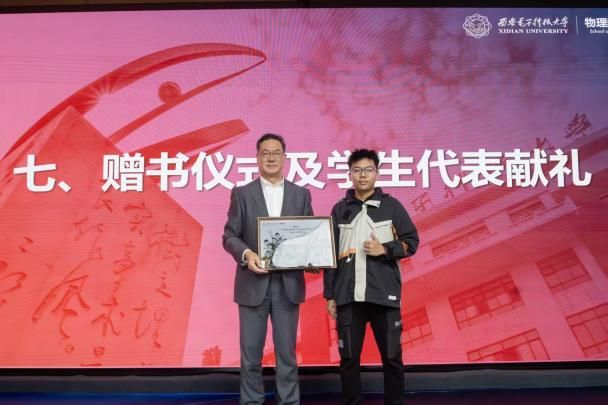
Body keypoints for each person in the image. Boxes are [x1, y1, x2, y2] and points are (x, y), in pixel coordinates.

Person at [223, 133, 316, 404]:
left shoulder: (301, 194)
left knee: (287, 354)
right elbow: (229, 236)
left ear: (285, 158)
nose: (271, 157)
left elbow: (310, 236)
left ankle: (289, 401)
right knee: (251, 355)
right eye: (265, 153)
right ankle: (252, 401)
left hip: (288, 285)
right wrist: (247, 254)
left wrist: (313, 256)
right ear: (257, 158)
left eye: (276, 153)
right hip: (252, 283)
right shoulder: (242, 193)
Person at [323, 149, 419, 405]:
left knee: (392, 358)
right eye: (357, 170)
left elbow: (412, 242)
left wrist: (384, 249)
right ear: (350, 174)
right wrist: (329, 295)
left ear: (376, 172)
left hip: (384, 297)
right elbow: (329, 255)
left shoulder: (392, 206)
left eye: (368, 170)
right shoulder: (339, 209)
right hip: (347, 297)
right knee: (348, 359)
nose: (362, 175)